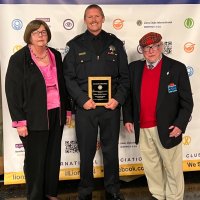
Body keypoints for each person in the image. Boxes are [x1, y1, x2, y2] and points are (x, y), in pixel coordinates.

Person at [63, 4, 130, 200]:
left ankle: (113, 190)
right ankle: (84, 192)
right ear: (85, 20)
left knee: (111, 150)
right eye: (90, 17)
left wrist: (117, 99)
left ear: (103, 18)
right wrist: (82, 100)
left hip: (110, 107)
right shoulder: (74, 45)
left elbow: (124, 77)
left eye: (97, 16)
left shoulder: (115, 43)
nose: (93, 20)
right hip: (86, 108)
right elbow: (68, 77)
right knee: (86, 151)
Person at [5, 19, 72, 200]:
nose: (41, 36)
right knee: (35, 160)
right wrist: (19, 121)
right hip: (33, 117)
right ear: (29, 36)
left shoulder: (55, 55)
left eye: (43, 32)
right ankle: (35, 196)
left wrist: (67, 110)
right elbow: (12, 92)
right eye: (36, 33)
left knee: (52, 157)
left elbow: (63, 85)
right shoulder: (19, 59)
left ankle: (51, 193)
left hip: (56, 114)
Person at [123, 32, 193, 200]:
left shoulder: (177, 68)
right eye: (146, 48)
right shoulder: (134, 69)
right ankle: (158, 195)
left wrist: (180, 125)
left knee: (172, 167)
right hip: (143, 127)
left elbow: (187, 102)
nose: (151, 51)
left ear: (161, 47)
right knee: (151, 167)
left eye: (154, 46)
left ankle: (175, 197)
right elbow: (128, 97)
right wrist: (127, 118)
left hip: (168, 128)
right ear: (142, 50)